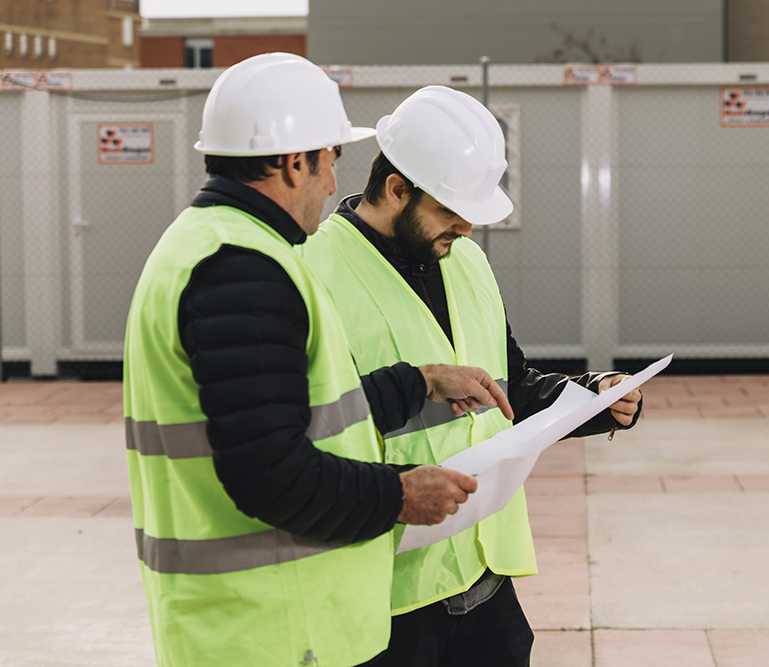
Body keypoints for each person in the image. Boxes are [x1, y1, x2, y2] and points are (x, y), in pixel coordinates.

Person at [122, 56, 514, 667]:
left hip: (253, 615)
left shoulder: (209, 247)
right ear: (291, 161)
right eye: (329, 159)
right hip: (265, 622)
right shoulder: (240, 270)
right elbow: (268, 469)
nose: (334, 184)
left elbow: (298, 416)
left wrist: (415, 383)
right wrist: (398, 494)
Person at [301, 85, 643, 667]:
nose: (463, 229)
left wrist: (592, 398)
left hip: (486, 579)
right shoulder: (312, 271)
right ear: (396, 189)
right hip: (388, 598)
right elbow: (308, 430)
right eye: (450, 212)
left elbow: (506, 387)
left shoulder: (465, 259)